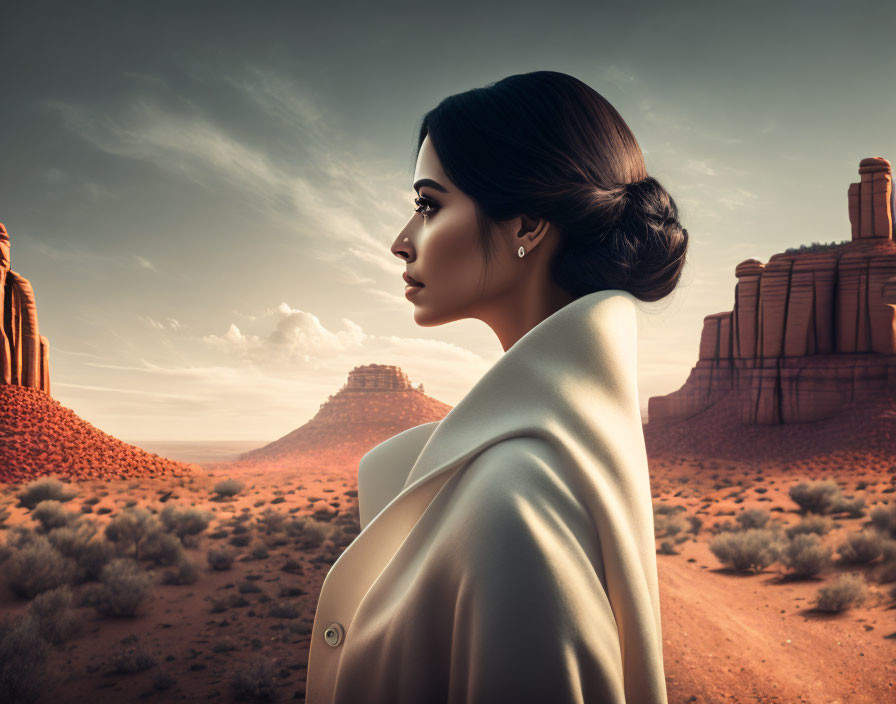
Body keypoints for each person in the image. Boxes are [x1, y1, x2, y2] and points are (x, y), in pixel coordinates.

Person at [305, 70, 688, 704]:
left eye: (429, 204)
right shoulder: (561, 448)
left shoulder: (512, 500)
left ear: (527, 225)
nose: (402, 241)